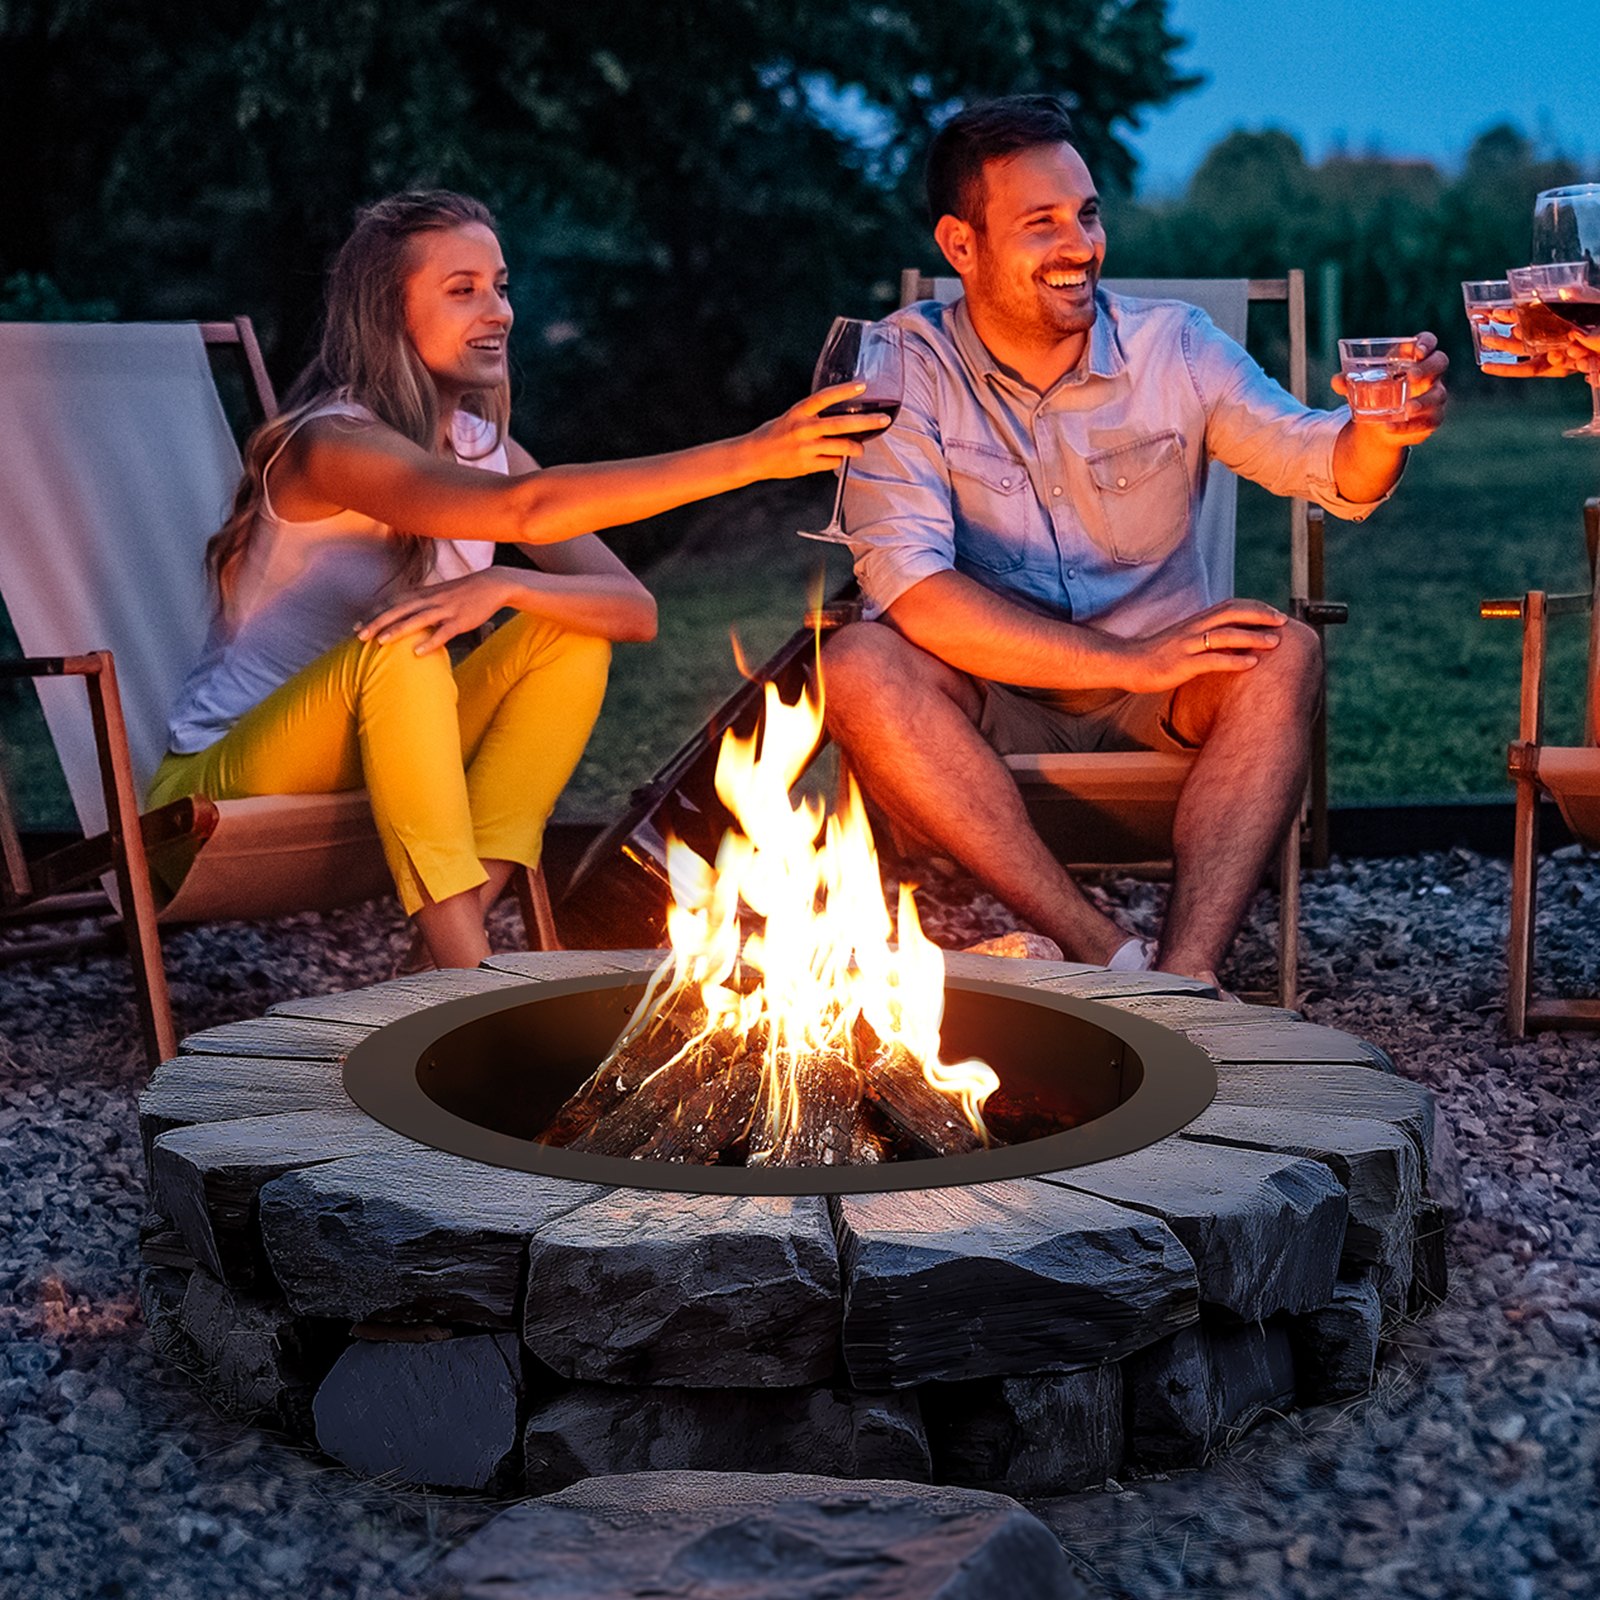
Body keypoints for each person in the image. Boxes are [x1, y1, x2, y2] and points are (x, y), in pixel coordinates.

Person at [150, 190, 885, 971]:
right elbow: (525, 511)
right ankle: (473, 983)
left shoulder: (483, 446)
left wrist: (509, 587)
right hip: (225, 789)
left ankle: (446, 957)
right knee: (405, 647)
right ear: (388, 312)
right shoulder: (330, 444)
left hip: (376, 761)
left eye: (500, 287)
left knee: (569, 637)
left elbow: (632, 610)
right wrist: (752, 455)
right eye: (462, 289)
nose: (498, 310)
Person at [823, 97, 1448, 989]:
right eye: (1042, 223)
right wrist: (1130, 659)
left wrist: (1382, 433)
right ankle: (1101, 951)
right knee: (857, 663)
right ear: (960, 245)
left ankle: (1186, 981)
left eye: (1087, 214)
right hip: (989, 698)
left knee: (1284, 652)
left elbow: (1320, 459)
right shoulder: (902, 366)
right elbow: (917, 594)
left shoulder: (1174, 347)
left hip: (1162, 708)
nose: (1081, 246)